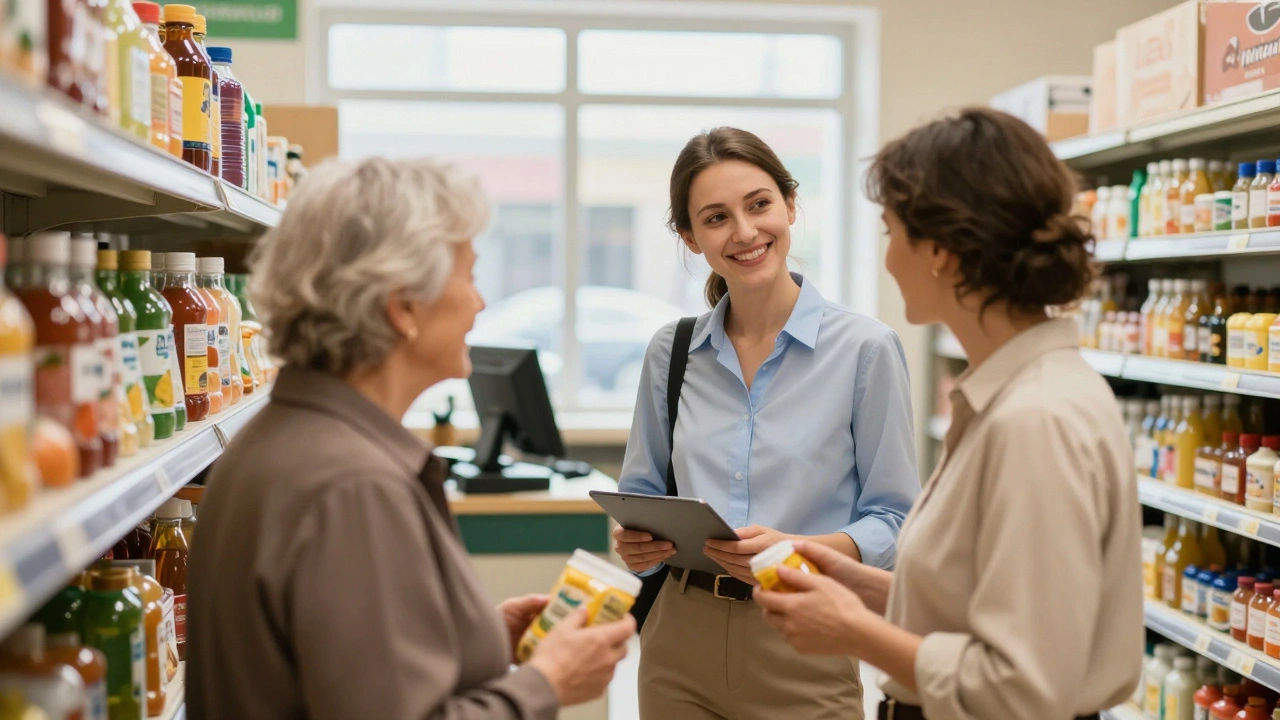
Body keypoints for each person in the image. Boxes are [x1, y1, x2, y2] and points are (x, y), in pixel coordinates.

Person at [186, 157, 635, 720]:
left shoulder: (287, 441)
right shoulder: (354, 487)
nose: (480, 302)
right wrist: (546, 683)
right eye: (469, 274)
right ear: (403, 306)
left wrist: (478, 640)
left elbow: (337, 665)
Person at [754, 107, 1143, 720]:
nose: (886, 259)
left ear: (939, 250)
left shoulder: (1034, 422)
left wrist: (852, 632)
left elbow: (1023, 686)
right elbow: (992, 609)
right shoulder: (1015, 394)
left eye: (890, 231)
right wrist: (868, 588)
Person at [613, 127, 920, 719]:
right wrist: (635, 543)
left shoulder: (865, 350)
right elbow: (642, 496)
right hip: (679, 641)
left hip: (804, 631)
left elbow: (896, 520)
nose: (746, 232)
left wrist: (799, 549)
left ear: (790, 205)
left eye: (759, 205)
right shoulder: (671, 352)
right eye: (716, 217)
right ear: (690, 237)